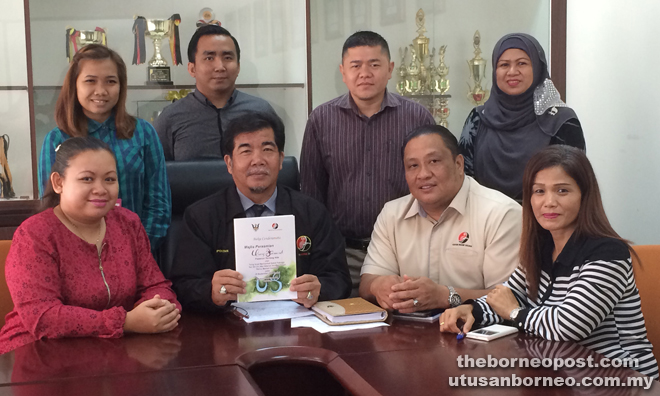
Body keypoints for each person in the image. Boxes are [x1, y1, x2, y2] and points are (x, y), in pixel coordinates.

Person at [440, 145, 658, 378]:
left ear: (585, 196)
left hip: (623, 378)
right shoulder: (541, 247)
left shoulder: (608, 253)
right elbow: (505, 297)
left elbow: (569, 326)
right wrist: (471, 309)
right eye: (539, 191)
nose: (549, 202)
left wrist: (514, 312)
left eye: (562, 191)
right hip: (562, 375)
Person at [0, 137, 181, 355]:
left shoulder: (128, 223)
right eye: (87, 179)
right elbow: (42, 317)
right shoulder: (35, 234)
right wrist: (125, 322)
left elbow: (155, 284)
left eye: (110, 179)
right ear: (58, 182)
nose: (101, 189)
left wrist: (159, 308)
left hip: (115, 350)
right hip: (38, 352)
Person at [169, 112, 351, 312]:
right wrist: (209, 292)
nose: (258, 160)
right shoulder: (201, 216)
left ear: (281, 159)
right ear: (229, 163)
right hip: (227, 328)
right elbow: (183, 285)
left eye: (267, 149)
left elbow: (339, 278)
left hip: (297, 326)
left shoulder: (311, 212)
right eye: (246, 151)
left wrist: (318, 290)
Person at [300, 31, 436, 295]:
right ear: (343, 71)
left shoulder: (417, 117)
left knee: (406, 329)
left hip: (405, 250)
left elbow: (434, 184)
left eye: (374, 64)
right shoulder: (321, 120)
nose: (365, 73)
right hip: (342, 252)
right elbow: (312, 195)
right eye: (355, 66)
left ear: (390, 69)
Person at [360, 125, 521, 312]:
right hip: (408, 333)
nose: (423, 174)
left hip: (478, 333)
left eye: (434, 161)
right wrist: (378, 285)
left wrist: (444, 296)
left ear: (459, 164)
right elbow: (366, 284)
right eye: (413, 166)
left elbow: (510, 297)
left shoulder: (501, 213)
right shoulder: (392, 213)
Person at [38, 44, 170, 251]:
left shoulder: (143, 133)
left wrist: (138, 249)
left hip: (138, 251)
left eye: (111, 81)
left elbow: (158, 203)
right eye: (90, 81)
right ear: (75, 85)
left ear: (121, 86)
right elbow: (51, 207)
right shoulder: (57, 139)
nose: (101, 91)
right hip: (76, 254)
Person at [459, 33, 585, 202]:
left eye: (522, 63)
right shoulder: (478, 119)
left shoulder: (561, 122)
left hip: (545, 222)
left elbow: (571, 186)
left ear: (538, 69)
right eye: (504, 65)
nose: (512, 72)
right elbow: (463, 179)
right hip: (486, 223)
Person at [155, 24, 278, 161]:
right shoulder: (171, 118)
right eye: (209, 58)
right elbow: (158, 174)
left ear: (238, 67)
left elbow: (276, 166)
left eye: (227, 58)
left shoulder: (261, 111)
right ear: (192, 68)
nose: (220, 67)